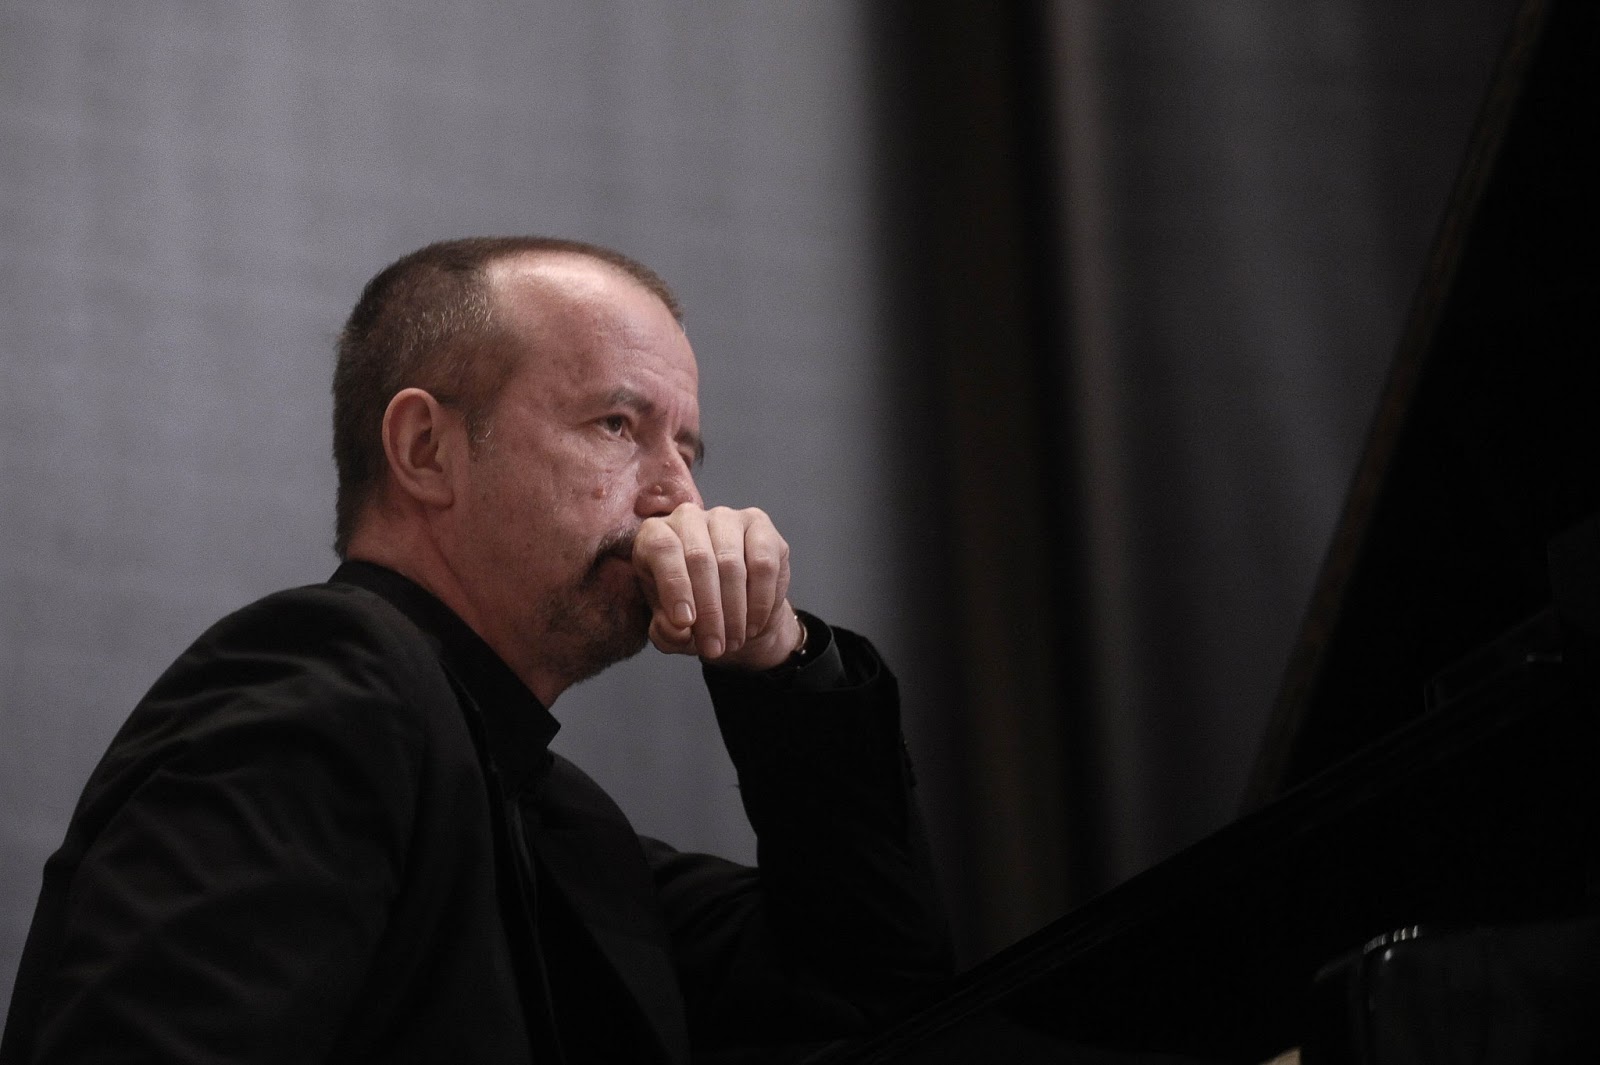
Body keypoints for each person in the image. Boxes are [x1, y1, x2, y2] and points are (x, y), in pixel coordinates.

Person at [1, 237, 951, 1064]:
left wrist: (775, 654)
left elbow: (874, 994)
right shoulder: (329, 681)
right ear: (426, 449)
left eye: (689, 451)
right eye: (618, 425)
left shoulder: (562, 823)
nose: (680, 498)